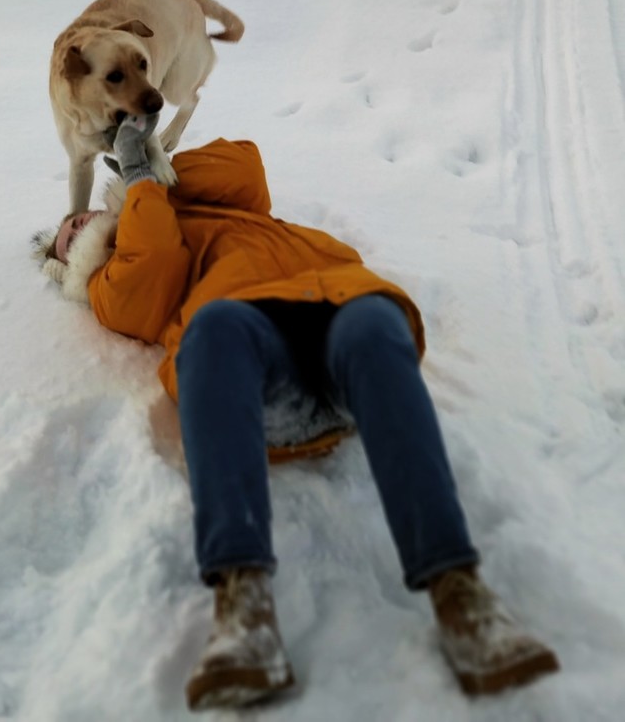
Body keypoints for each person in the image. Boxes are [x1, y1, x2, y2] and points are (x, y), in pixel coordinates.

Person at [34, 114, 559, 711]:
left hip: (335, 296)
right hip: (249, 347)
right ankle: (243, 608)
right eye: (69, 237)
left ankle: (462, 596)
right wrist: (140, 188)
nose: (80, 226)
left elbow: (244, 167)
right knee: (213, 328)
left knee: (373, 320)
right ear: (70, 265)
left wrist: (154, 165)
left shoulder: (177, 200)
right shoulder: (106, 286)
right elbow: (155, 260)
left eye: (78, 217)